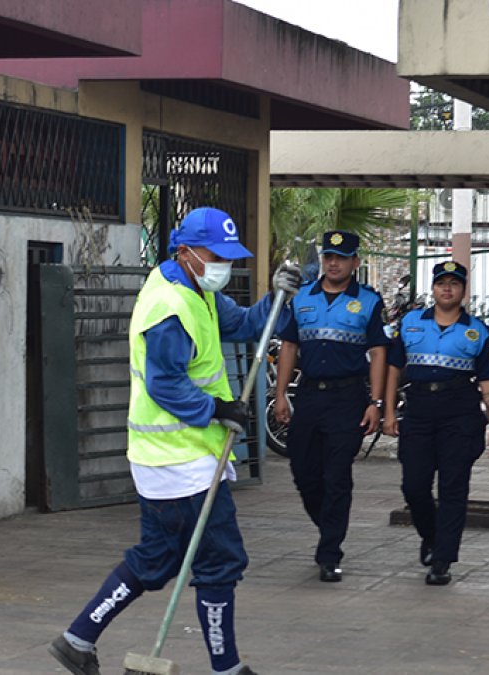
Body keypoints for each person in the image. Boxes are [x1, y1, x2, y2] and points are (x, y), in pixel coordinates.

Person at [48, 207, 301, 675]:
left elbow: (244, 324)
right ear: (185, 253)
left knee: (155, 559)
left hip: (173, 459)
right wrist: (217, 409)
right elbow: (166, 384)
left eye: (229, 255)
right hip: (181, 461)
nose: (224, 264)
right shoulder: (169, 307)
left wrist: (276, 299)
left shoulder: (195, 289)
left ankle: (78, 638)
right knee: (221, 561)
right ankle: (226, 667)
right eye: (215, 255)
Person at [273, 230, 389, 583]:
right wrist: (280, 395)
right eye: (328, 257)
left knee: (337, 475)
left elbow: (379, 353)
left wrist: (376, 402)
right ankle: (329, 526)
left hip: (347, 398)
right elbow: (290, 347)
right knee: (304, 471)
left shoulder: (368, 302)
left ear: (355, 262)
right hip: (309, 396)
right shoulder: (303, 297)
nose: (333, 263)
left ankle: (330, 552)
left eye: (341, 257)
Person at [382, 261, 489, 585]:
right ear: (433, 288)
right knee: (414, 486)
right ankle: (432, 536)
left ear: (463, 291)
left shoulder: (476, 330)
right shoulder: (409, 323)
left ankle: (443, 560)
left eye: (454, 283)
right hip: (420, 408)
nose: (447, 289)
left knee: (453, 487)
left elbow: (488, 381)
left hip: (460, 410)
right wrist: (389, 412)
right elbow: (394, 369)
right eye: (441, 283)